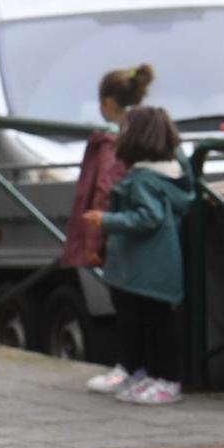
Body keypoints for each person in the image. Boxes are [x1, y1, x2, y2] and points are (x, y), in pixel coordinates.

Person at [81, 107, 192, 407]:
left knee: (152, 322)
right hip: (149, 267)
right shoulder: (168, 172)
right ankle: (150, 375)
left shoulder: (144, 178)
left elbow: (148, 217)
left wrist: (108, 221)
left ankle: (164, 380)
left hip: (146, 267)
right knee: (150, 321)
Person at [65, 66, 152, 363]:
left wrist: (92, 243)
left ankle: (131, 369)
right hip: (139, 234)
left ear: (107, 105)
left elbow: (103, 192)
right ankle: (139, 369)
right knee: (145, 310)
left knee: (126, 307)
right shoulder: (145, 135)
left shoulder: (109, 145)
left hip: (117, 234)